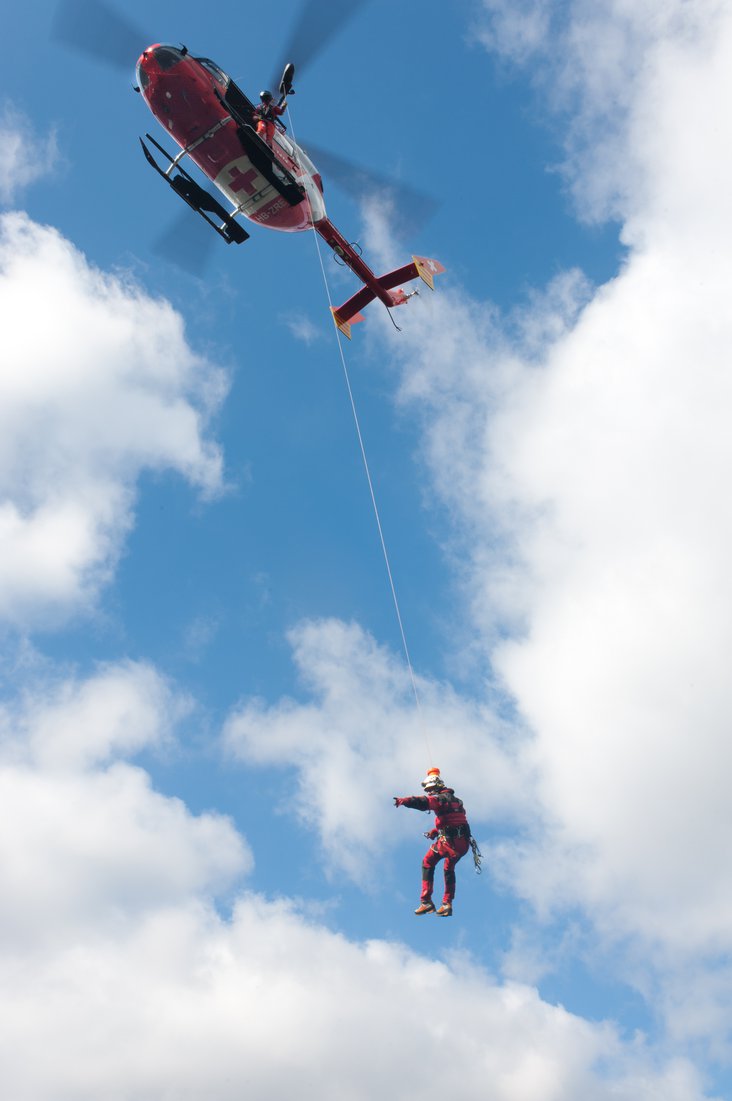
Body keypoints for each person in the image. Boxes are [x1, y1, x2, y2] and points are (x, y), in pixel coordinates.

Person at [394, 768, 476, 917]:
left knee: (427, 862)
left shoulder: (439, 799)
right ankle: (447, 904)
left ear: (437, 787)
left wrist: (405, 801)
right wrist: (436, 831)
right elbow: (455, 820)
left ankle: (426, 902)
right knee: (448, 868)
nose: (429, 793)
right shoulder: (457, 801)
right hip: (462, 844)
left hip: (449, 844)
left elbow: (424, 802)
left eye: (430, 790)